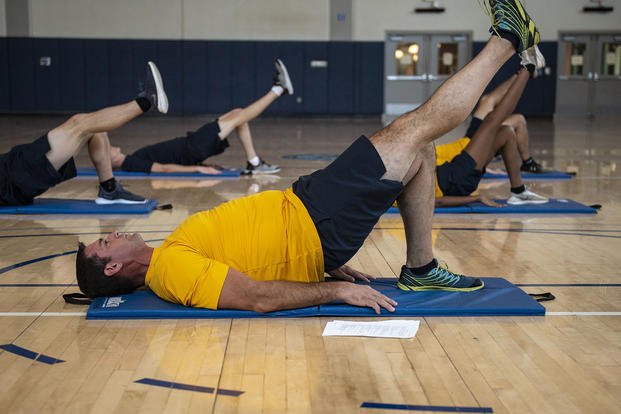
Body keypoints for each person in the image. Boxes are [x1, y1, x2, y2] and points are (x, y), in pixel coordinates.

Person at [76, 0, 540, 314]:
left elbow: (256, 256)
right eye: (104, 244)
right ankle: (506, 40)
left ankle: (421, 269)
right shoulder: (169, 272)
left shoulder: (169, 256)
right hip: (317, 219)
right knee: (415, 127)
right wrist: (335, 288)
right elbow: (256, 296)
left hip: (308, 211)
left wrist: (323, 265)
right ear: (113, 267)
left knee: (419, 147)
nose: (111, 235)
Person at [0, 62, 168, 206]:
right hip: (13, 178)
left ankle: (109, 189)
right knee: (80, 125)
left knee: (92, 125)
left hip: (12, 167)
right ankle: (147, 101)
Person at [108, 59, 293, 175]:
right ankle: (278, 89)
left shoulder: (132, 159)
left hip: (193, 146)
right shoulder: (131, 163)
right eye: (105, 151)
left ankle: (254, 162)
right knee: (239, 117)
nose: (108, 147)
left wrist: (200, 164)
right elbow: (164, 169)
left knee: (238, 114)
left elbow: (170, 160)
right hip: (194, 147)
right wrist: (197, 169)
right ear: (110, 161)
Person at [434, 47, 548, 207]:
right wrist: (476, 198)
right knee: (494, 119)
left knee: (506, 133)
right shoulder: (397, 189)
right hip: (456, 180)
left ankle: (518, 191)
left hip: (455, 171)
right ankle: (527, 67)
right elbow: (436, 202)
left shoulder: (397, 176)